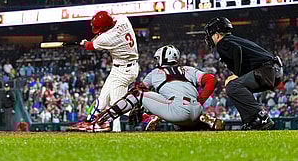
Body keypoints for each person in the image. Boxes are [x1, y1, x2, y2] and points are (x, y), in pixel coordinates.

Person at [91, 45, 223, 131]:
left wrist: (140, 109)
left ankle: (102, 121)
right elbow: (212, 80)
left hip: (176, 109)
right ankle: (203, 121)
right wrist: (200, 101)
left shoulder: (155, 73)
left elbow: (139, 91)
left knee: (137, 94)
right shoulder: (189, 69)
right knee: (180, 127)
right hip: (196, 108)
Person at [204, 17, 283, 130]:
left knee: (233, 86)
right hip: (272, 70)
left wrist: (237, 74)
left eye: (211, 35)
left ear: (217, 35)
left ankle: (261, 117)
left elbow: (237, 50)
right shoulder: (232, 39)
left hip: (267, 71)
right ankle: (252, 121)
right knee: (238, 88)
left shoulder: (223, 42)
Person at [71, 11, 139, 132]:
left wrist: (84, 43)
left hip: (124, 71)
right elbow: (101, 35)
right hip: (123, 67)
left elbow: (90, 46)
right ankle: (89, 122)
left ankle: (146, 118)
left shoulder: (107, 38)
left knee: (118, 106)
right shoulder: (123, 19)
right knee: (103, 99)